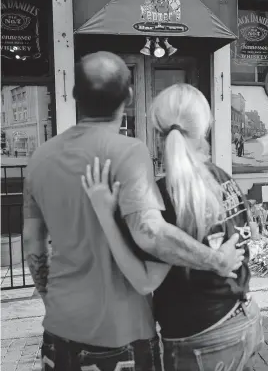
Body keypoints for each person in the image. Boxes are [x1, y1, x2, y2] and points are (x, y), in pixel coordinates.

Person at [23, 52, 244, 371]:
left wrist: (53, 302)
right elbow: (151, 233)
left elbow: (32, 243)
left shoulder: (40, 158)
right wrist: (215, 260)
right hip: (121, 335)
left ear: (74, 96)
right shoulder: (128, 153)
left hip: (58, 332)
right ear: (128, 97)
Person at [82, 83, 264, 371]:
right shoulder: (222, 177)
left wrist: (106, 213)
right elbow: (249, 231)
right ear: (204, 128)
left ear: (157, 132)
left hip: (202, 335)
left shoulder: (165, 196)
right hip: (244, 315)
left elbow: (145, 281)